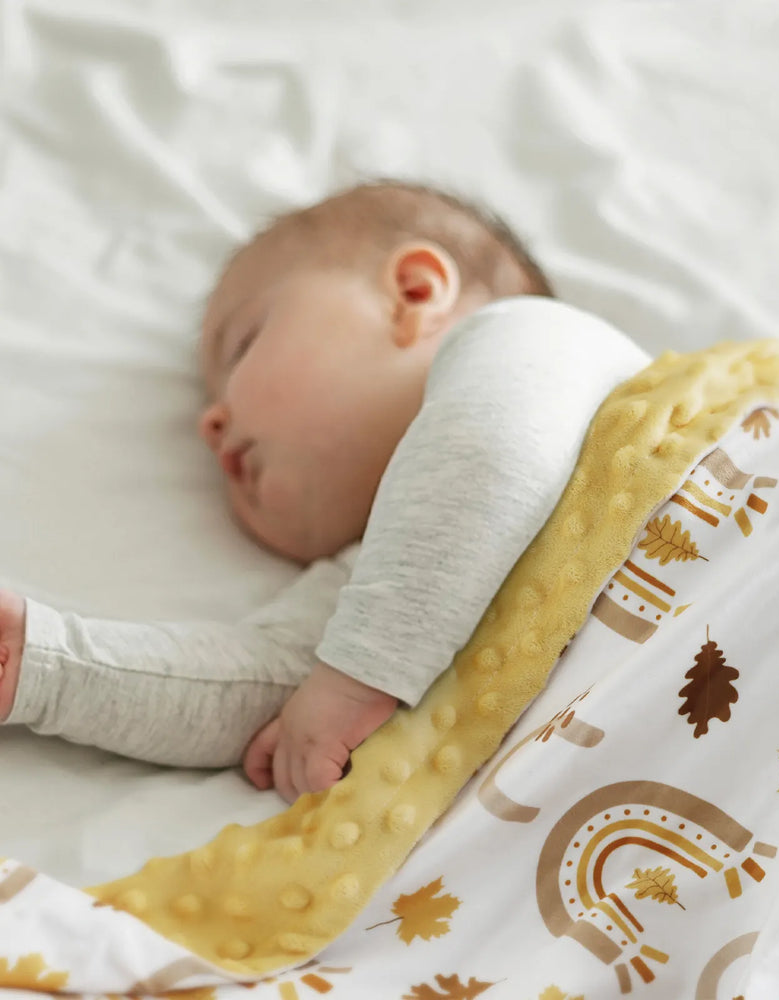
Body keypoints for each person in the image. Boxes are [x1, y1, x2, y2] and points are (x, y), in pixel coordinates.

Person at [0, 180, 650, 802]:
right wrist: (47, 665)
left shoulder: (539, 343)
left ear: (414, 293)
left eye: (245, 344)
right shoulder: (376, 594)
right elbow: (266, 693)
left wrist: (354, 676)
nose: (210, 421)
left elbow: (495, 443)